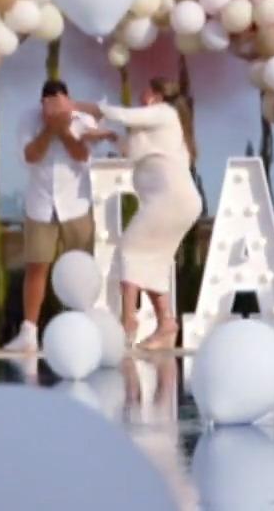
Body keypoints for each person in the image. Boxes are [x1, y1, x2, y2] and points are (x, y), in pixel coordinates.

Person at [92, 76, 203, 351]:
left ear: (155, 94)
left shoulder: (163, 113)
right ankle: (166, 322)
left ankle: (128, 320)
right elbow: (132, 151)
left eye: (146, 89)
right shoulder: (155, 125)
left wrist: (83, 107)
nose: (141, 94)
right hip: (175, 201)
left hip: (171, 199)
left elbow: (123, 115)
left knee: (129, 248)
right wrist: (110, 136)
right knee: (154, 260)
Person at [5, 79, 113, 352]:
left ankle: (84, 326)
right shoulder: (28, 120)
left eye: (58, 106)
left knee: (80, 266)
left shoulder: (82, 119)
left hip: (75, 204)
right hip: (41, 204)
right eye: (47, 107)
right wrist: (49, 130)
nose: (51, 112)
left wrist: (63, 131)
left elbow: (81, 156)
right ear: (41, 105)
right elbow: (30, 156)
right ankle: (29, 332)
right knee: (37, 266)